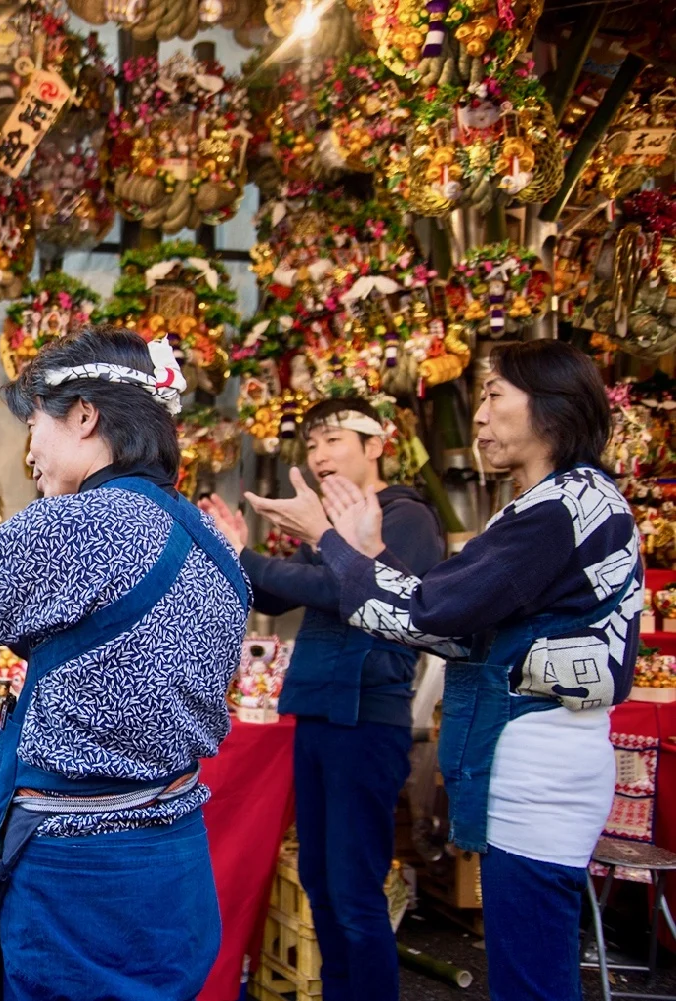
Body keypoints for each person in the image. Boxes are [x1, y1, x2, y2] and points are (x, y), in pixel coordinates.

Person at [246, 339, 641, 1001]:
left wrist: (331, 542)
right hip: (535, 760)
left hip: (539, 764)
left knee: (530, 974)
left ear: (549, 406)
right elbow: (459, 621)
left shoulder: (555, 510)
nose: (480, 417)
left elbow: (432, 614)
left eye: (492, 396)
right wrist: (361, 553)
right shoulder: (560, 503)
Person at [0, 326, 250, 1001]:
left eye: (35, 420)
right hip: (175, 857)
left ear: (83, 414)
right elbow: (107, 649)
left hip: (80, 870)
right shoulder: (209, 538)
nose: (30, 449)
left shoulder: (68, 524)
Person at [201, 397, 442, 1001]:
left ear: (377, 446)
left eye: (334, 440)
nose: (319, 455)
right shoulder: (333, 531)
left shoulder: (405, 517)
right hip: (314, 711)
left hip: (365, 716)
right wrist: (234, 552)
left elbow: (336, 588)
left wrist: (248, 557)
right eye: (311, 445)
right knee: (321, 882)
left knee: (355, 892)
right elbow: (282, 597)